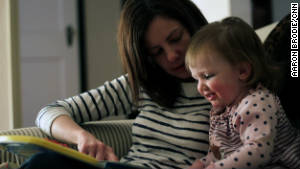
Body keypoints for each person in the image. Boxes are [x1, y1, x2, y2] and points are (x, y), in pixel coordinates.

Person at [33, 0, 211, 169]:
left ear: (193, 26)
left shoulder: (226, 85)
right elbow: (49, 112)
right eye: (157, 52)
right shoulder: (144, 83)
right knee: (43, 161)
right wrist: (82, 137)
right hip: (124, 166)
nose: (172, 56)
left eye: (176, 39)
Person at [185, 17, 300, 169]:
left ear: (242, 71)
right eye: (196, 79)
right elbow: (220, 153)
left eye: (206, 76)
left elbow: (258, 151)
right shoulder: (221, 112)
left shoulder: (257, 102)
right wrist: (203, 163)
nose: (200, 87)